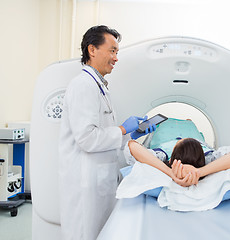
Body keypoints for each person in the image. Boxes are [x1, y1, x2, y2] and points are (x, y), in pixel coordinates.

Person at [58, 25, 154, 240]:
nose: (116, 58)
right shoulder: (83, 85)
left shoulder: (99, 86)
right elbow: (87, 139)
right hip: (85, 183)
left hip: (98, 180)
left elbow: (103, 136)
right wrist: (122, 129)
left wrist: (132, 135)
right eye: (112, 51)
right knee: (84, 234)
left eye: (117, 52)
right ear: (92, 50)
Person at [127, 137, 230, 186]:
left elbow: (132, 145)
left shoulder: (161, 157)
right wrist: (199, 172)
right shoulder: (210, 158)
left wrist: (198, 172)